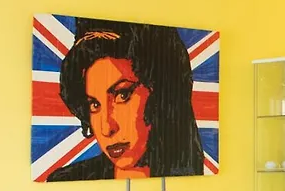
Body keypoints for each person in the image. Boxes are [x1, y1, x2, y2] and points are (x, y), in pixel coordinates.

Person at [48, 18, 204, 181]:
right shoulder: (67, 181)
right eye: (94, 105)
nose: (107, 128)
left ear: (160, 93)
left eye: (122, 95)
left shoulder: (191, 180)